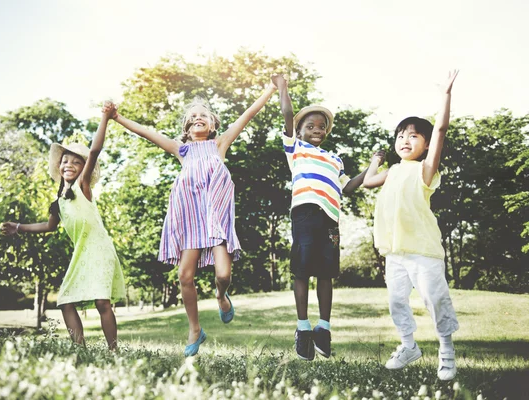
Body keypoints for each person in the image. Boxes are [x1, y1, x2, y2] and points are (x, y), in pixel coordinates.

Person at [106, 79, 277, 356]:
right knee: (185, 275)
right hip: (190, 221)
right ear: (187, 127)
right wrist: (116, 117)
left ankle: (221, 296)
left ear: (213, 125)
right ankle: (195, 329)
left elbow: (248, 114)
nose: (198, 118)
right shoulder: (181, 150)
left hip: (216, 220)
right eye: (193, 116)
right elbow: (146, 132)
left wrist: (270, 89)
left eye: (203, 115)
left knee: (223, 274)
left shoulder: (220, 144)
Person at [1, 102, 125, 350]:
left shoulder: (83, 187)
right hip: (82, 254)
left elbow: (94, 151)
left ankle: (114, 351)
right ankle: (81, 350)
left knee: (103, 302)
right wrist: (19, 227)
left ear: (83, 170)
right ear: (59, 167)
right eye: (65, 161)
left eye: (75, 163)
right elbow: (48, 227)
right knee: (66, 301)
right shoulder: (58, 202)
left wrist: (105, 118)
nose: (69, 164)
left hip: (99, 249)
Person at [363, 71, 460, 380]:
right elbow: (367, 183)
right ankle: (409, 346)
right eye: (401, 135)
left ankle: (446, 351)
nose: (405, 139)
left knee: (435, 299)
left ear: (426, 144)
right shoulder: (392, 171)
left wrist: (445, 95)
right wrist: (375, 160)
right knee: (395, 301)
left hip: (423, 251)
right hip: (395, 252)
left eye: (414, 135)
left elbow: (442, 128)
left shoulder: (425, 170)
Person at [274, 74, 370, 360]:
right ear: (299, 131)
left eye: (322, 126)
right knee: (302, 269)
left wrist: (373, 166)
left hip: (330, 218)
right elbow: (288, 114)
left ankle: (323, 329)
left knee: (326, 272)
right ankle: (303, 328)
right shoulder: (296, 149)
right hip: (304, 212)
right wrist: (283, 88)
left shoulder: (334, 159)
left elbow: (348, 187)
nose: (317, 129)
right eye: (310, 126)